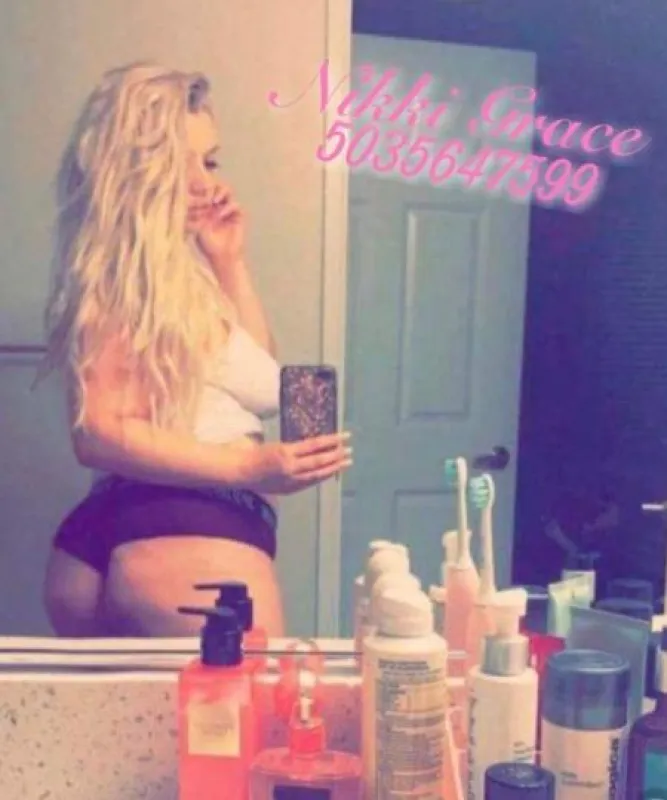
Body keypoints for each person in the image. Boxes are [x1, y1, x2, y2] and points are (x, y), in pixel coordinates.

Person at [39, 63, 352, 638]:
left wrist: (228, 259)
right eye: (179, 162)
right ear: (134, 170)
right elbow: (98, 432)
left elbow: (257, 380)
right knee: (246, 700)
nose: (205, 183)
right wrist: (250, 467)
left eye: (209, 162)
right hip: (189, 531)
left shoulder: (176, 274)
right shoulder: (122, 275)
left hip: (135, 527)